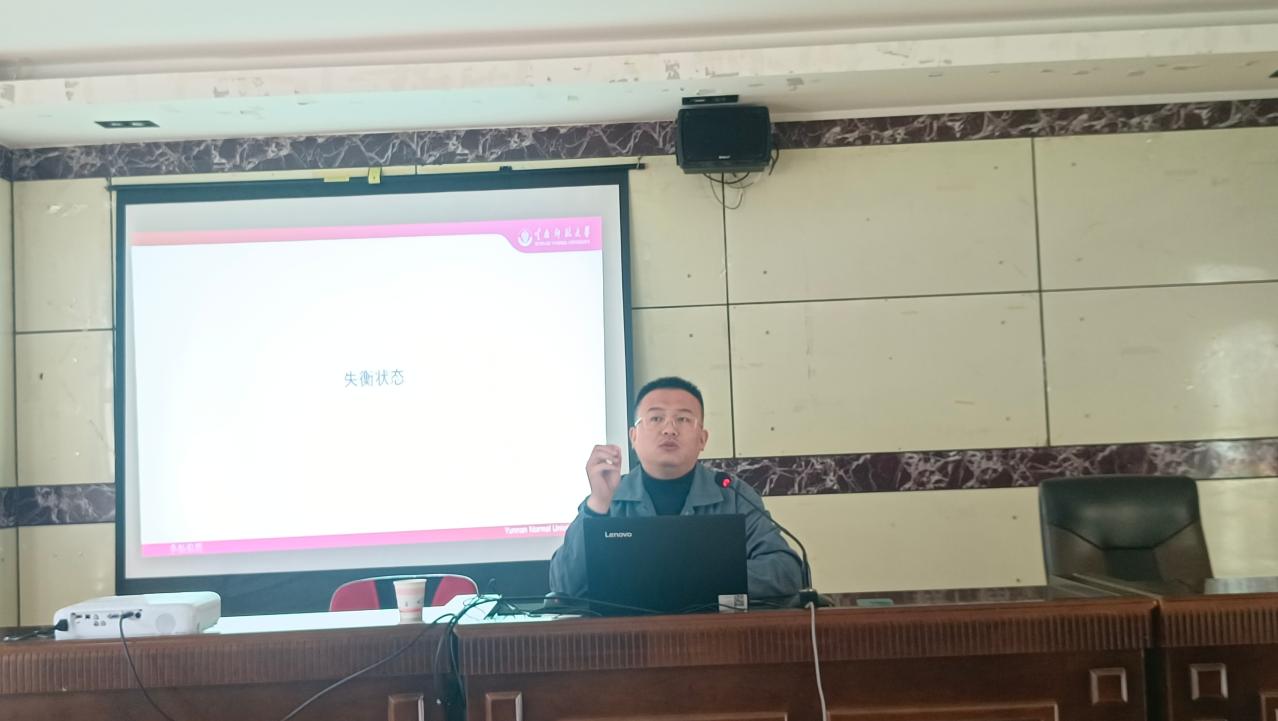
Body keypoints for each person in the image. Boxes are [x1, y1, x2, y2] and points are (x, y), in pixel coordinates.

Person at [549, 376, 803, 599]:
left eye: (683, 419)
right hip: (627, 637)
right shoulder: (607, 498)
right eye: (656, 418)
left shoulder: (732, 495)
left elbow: (787, 572)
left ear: (702, 439)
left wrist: (687, 577)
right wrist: (598, 504)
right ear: (633, 437)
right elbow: (564, 585)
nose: (669, 429)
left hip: (712, 635)